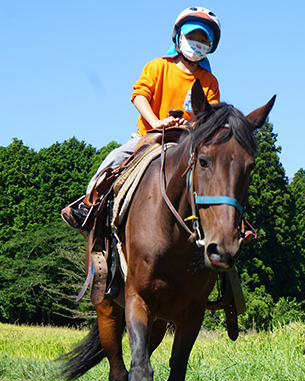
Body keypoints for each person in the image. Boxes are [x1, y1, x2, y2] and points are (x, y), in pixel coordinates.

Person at [61, 7, 254, 243]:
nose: (197, 43)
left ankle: (235, 222)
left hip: (187, 142)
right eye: (192, 37)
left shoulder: (209, 81)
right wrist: (156, 121)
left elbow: (210, 118)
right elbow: (139, 95)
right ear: (178, 37)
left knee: (221, 170)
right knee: (116, 158)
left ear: (211, 46)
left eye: (204, 40)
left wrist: (192, 127)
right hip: (150, 135)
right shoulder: (158, 66)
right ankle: (89, 206)